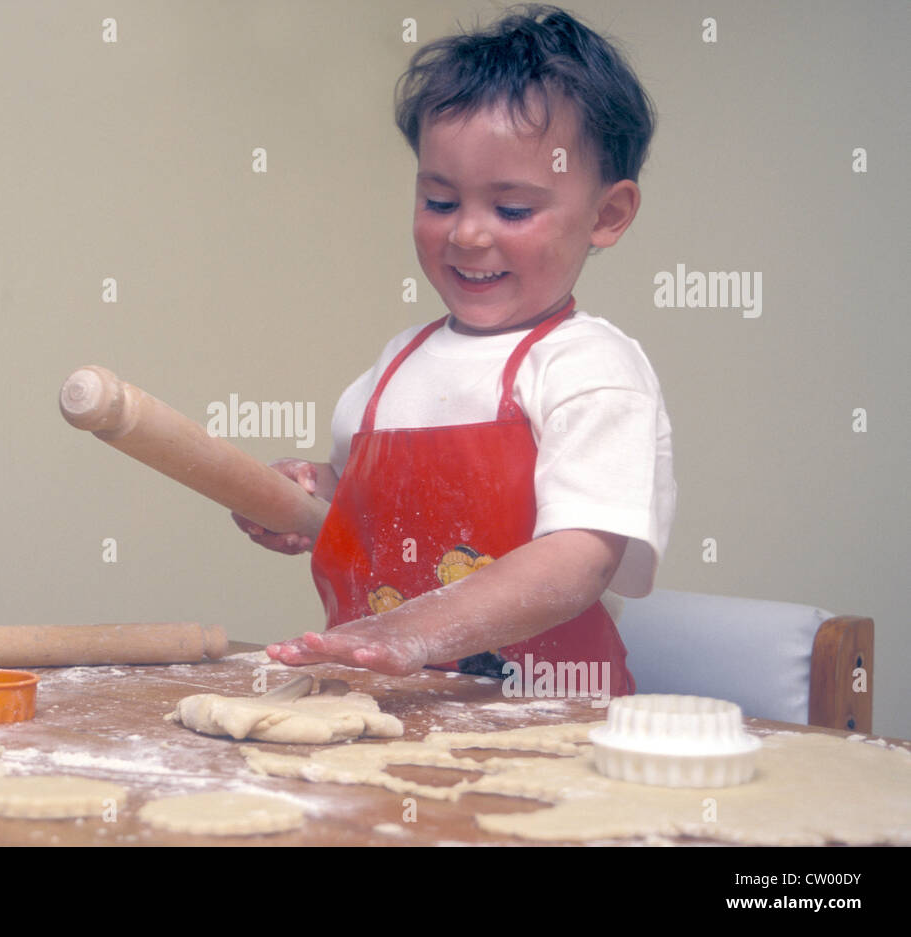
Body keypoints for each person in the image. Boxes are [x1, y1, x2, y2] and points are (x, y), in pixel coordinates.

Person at [235, 5, 675, 699]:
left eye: (512, 210)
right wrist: (299, 493)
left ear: (607, 215)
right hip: (392, 708)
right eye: (441, 201)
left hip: (550, 719)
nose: (468, 235)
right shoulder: (398, 362)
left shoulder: (588, 368)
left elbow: (577, 560)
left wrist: (413, 630)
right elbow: (355, 496)